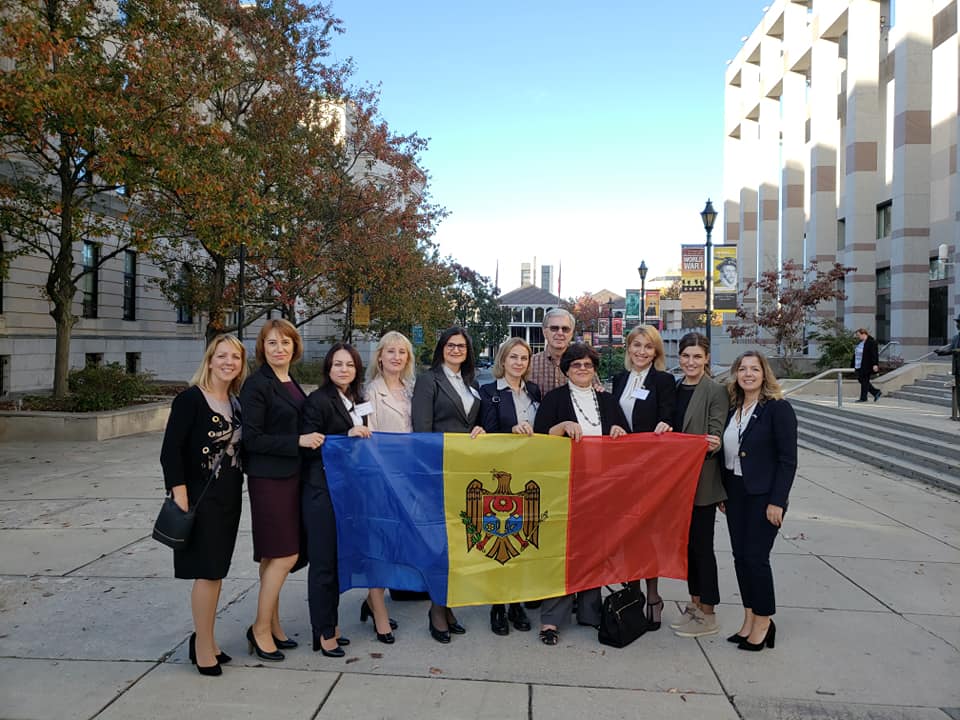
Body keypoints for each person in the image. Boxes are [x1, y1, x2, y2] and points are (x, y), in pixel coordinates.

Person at [160, 334, 247, 676]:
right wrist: (179, 494)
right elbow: (170, 452)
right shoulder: (190, 400)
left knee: (217, 572)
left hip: (228, 498)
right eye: (222, 356)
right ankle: (201, 648)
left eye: (235, 358)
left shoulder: (235, 402)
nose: (229, 362)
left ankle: (208, 640)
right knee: (207, 573)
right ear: (210, 360)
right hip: (199, 498)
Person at [533, 343, 628, 646]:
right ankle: (552, 618)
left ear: (594, 368)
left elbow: (625, 436)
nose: (583, 369)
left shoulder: (608, 401)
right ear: (567, 370)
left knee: (594, 548)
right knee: (561, 551)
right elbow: (538, 439)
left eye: (588, 365)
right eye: (576, 365)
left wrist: (618, 434)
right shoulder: (554, 399)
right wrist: (560, 426)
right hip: (565, 484)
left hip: (601, 485)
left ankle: (589, 611)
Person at [240, 319, 322, 662]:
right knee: (285, 555)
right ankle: (259, 629)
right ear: (263, 348)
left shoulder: (289, 382)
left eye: (285, 343)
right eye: (272, 343)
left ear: (294, 347)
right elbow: (252, 438)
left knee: (274, 556)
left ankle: (272, 624)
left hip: (292, 477)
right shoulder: (257, 385)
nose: (279, 349)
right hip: (269, 478)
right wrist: (297, 441)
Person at [412, 326, 486, 643]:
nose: (456, 350)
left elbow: (473, 421)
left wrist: (481, 428)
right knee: (439, 545)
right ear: (441, 348)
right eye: (450, 345)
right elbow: (422, 430)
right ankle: (436, 609)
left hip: (466, 473)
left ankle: (449, 604)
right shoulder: (429, 381)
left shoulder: (471, 383)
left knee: (458, 542)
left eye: (462, 346)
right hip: (438, 470)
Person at [654, 332, 729, 639]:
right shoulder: (674, 387)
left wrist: (711, 443)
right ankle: (694, 604)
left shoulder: (715, 391)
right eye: (686, 356)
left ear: (707, 358)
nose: (691, 362)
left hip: (702, 483)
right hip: (677, 483)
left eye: (697, 356)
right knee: (686, 547)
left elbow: (714, 433)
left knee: (701, 547)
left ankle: (708, 610)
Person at [722, 351, 798, 651]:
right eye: (743, 369)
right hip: (736, 493)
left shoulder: (778, 409)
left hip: (765, 496)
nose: (748, 374)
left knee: (756, 558)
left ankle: (765, 621)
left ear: (765, 374)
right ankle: (749, 617)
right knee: (741, 559)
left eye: (755, 369)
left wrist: (777, 501)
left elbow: (788, 460)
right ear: (736, 374)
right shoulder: (734, 408)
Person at [300, 343, 371, 656]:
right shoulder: (318, 400)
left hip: (349, 491)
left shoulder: (357, 399)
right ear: (328, 368)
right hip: (322, 491)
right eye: (338, 364)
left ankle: (332, 624)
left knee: (338, 560)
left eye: (350, 365)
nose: (344, 370)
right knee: (323, 564)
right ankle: (323, 631)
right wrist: (345, 438)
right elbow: (311, 443)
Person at [610, 325, 676, 630]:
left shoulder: (663, 380)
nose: (641, 352)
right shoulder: (620, 379)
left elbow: (668, 416)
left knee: (648, 534)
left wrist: (665, 425)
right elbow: (614, 416)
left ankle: (653, 596)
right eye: (636, 345)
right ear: (629, 348)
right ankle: (632, 592)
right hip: (623, 469)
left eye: (648, 347)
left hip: (649, 469)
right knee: (627, 532)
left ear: (656, 352)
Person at [479, 337, 541, 636]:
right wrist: (510, 430)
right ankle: (497, 605)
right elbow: (487, 433)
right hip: (501, 477)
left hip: (530, 474)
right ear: (502, 360)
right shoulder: (489, 392)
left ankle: (516, 601)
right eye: (513, 357)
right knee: (500, 538)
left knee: (523, 541)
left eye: (524, 358)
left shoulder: (535, 392)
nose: (518, 363)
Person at [362, 331, 416, 643]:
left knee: (396, 543)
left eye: (402, 352)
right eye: (390, 351)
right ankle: (378, 610)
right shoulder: (370, 394)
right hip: (382, 480)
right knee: (380, 544)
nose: (396, 357)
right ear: (380, 356)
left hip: (409, 479)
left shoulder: (410, 389)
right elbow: (371, 440)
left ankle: (373, 599)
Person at [529, 308, 578, 395]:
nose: (560, 333)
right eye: (554, 328)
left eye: (565, 329)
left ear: (571, 334)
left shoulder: (583, 366)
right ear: (544, 332)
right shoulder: (529, 364)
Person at [852, 328, 882, 402]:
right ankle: (876, 392)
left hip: (866, 365)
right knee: (861, 380)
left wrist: (875, 364)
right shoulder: (861, 343)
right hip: (859, 365)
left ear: (864, 334)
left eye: (858, 335)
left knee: (864, 381)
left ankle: (864, 398)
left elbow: (874, 354)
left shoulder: (871, 342)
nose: (858, 337)